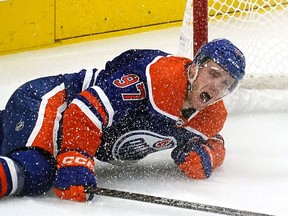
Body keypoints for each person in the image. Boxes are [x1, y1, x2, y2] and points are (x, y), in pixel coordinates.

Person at [0, 38, 245, 202]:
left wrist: (208, 156)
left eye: (226, 83)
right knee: (35, 170)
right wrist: (76, 157)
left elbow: (213, 139)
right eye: (213, 74)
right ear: (195, 68)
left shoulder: (212, 115)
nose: (216, 87)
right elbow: (84, 110)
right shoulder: (156, 78)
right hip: (51, 101)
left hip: (63, 122)